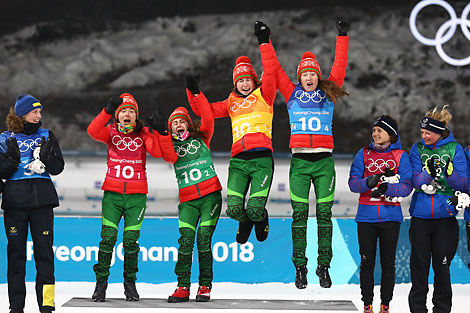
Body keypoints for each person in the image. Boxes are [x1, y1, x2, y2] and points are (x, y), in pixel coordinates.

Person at [258, 19, 349, 288]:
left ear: (318, 77)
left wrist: (342, 37)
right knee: (299, 214)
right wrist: (265, 41)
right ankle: (300, 266)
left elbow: (340, 66)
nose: (309, 78)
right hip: (299, 162)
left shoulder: (328, 93)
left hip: (323, 162)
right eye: (304, 74)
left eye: (313, 74)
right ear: (299, 78)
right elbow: (273, 67)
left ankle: (324, 265)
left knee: (324, 214)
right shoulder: (291, 93)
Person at [186, 30, 279, 245]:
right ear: (235, 83)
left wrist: (264, 42)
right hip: (238, 161)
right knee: (234, 209)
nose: (245, 84)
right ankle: (244, 222)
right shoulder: (230, 103)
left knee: (255, 209)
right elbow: (203, 111)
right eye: (241, 80)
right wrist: (193, 92)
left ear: (254, 81)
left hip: (261, 160)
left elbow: (271, 70)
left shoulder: (265, 95)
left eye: (248, 79)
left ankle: (260, 217)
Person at [87, 93, 163, 302]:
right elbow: (92, 131)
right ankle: (100, 284)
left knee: (130, 242)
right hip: (113, 195)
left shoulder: (143, 133)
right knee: (108, 239)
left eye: (131, 111)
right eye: (123, 111)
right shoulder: (110, 132)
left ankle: (130, 284)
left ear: (136, 116)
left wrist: (158, 131)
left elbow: (157, 152)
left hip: (136, 197)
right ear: (117, 116)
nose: (127, 114)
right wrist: (106, 111)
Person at [150, 87, 222, 303]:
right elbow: (165, 156)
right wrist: (159, 132)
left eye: (182, 121)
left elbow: (208, 115)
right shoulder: (170, 144)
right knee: (186, 241)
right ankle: (182, 287)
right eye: (174, 123)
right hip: (188, 201)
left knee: (203, 240)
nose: (179, 125)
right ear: (170, 128)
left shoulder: (203, 136)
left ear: (189, 123)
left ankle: (205, 286)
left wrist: (196, 93)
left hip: (210, 196)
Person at [0, 94, 64, 313]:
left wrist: (47, 158)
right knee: (16, 257)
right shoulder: (4, 139)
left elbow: (57, 168)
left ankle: (47, 305)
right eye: (35, 112)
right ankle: (16, 307)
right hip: (15, 204)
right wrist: (11, 160)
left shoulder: (47, 135)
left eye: (40, 112)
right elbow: (1, 172)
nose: (39, 116)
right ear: (22, 114)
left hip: (42, 204)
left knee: (44, 255)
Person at [348, 116, 413, 313]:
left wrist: (387, 189)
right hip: (366, 218)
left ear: (391, 135)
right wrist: (367, 182)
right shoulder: (364, 153)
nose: (375, 134)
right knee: (367, 262)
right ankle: (367, 304)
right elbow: (353, 183)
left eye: (380, 131)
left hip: (390, 218)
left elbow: (407, 186)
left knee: (388, 264)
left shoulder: (401, 155)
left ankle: (385, 305)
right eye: (374, 130)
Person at [408, 105, 468, 313]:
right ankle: (417, 310)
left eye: (428, 133)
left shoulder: (454, 149)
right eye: (422, 132)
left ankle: (442, 309)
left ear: (439, 132)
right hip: (420, 218)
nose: (423, 136)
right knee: (419, 268)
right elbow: (414, 181)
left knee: (442, 268)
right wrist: (427, 173)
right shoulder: (417, 149)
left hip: (445, 218)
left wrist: (450, 174)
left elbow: (463, 183)